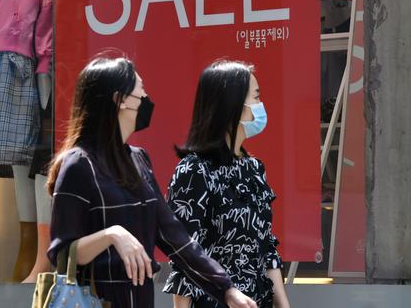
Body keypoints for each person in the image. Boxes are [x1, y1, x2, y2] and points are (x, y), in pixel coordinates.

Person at [47, 55, 257, 308]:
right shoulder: (78, 165)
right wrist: (112, 235)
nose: (147, 101)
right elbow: (62, 253)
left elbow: (175, 237)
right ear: (120, 100)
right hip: (96, 300)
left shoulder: (138, 159)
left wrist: (226, 289)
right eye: (141, 93)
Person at [163, 60, 290, 308]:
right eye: (255, 97)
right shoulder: (194, 170)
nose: (260, 106)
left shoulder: (253, 168)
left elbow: (266, 248)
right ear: (233, 106)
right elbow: (184, 258)